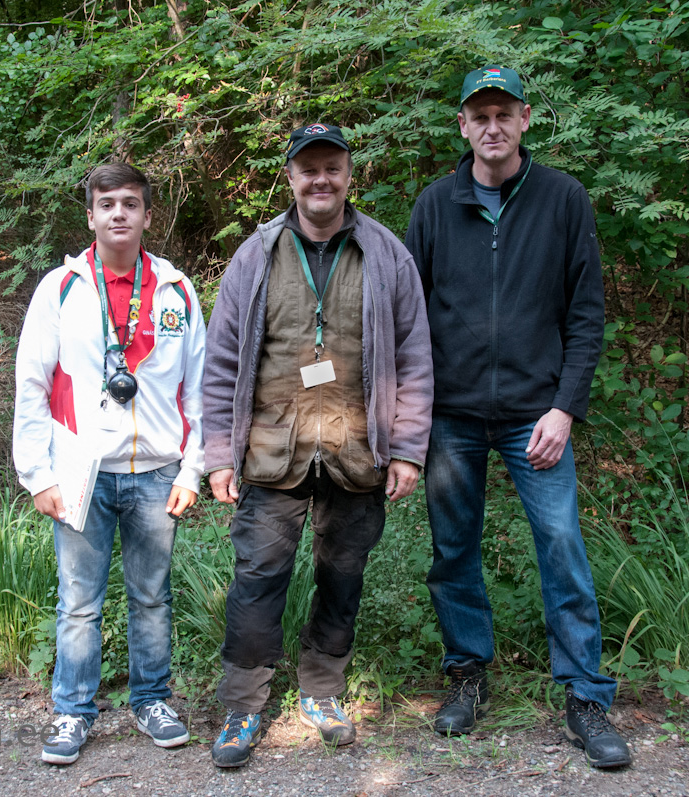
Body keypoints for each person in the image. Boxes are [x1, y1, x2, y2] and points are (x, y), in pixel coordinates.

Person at [404, 66, 631, 768]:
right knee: (453, 550)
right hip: (452, 417)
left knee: (561, 543)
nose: (492, 126)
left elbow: (586, 314)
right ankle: (467, 673)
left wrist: (565, 407)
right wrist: (411, 416)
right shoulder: (436, 205)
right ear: (463, 125)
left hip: (537, 415)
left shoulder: (563, 199)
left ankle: (586, 695)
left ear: (526, 119)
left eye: (504, 113)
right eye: (480, 115)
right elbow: (410, 317)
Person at [203, 124, 433, 768]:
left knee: (343, 575)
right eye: (309, 170)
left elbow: (415, 357)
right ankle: (243, 705)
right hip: (273, 452)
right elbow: (222, 361)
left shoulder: (387, 254)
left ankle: (323, 690)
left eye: (332, 168)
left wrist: (409, 448)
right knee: (257, 577)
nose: (320, 180)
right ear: (291, 179)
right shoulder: (257, 253)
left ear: (348, 175)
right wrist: (220, 454)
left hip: (359, 451)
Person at [13, 163, 206, 766]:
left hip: (155, 470)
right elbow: (32, 384)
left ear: (148, 216)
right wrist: (38, 474)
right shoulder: (62, 288)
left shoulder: (175, 291)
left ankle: (150, 699)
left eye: (130, 204)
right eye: (107, 204)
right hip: (80, 472)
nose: (118, 213)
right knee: (78, 601)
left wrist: (191, 469)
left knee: (152, 596)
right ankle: (72, 710)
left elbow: (198, 389)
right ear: (91, 216)